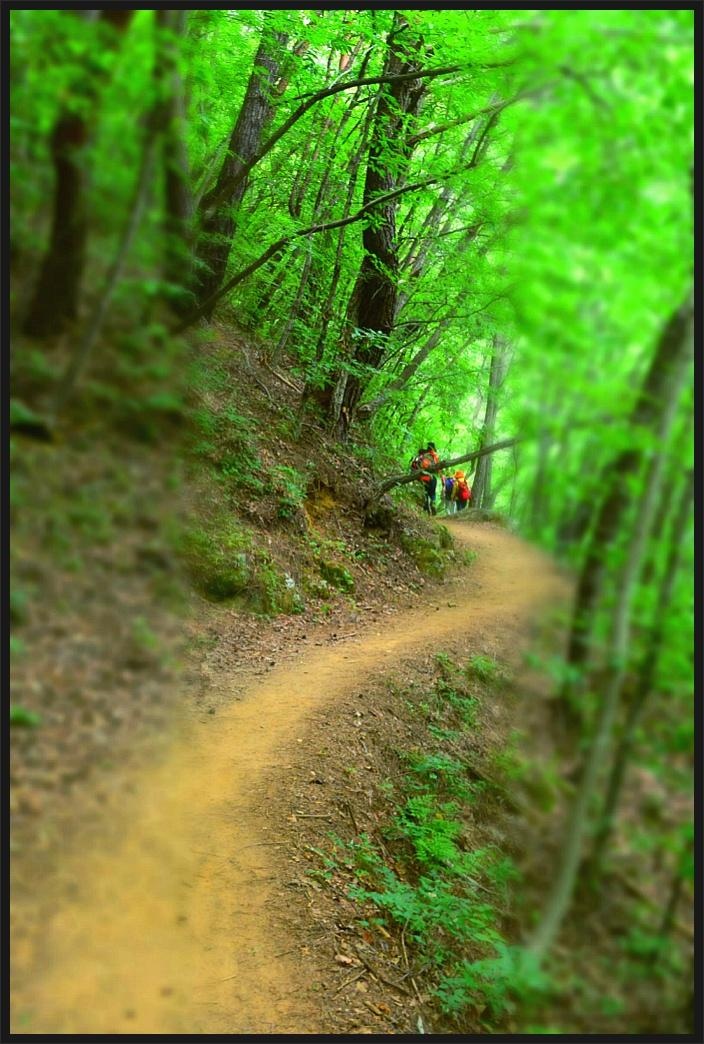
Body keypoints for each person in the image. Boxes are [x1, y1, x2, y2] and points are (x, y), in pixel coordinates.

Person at [410, 442, 440, 515]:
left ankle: (426, 505)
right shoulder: (434, 456)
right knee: (432, 492)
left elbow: (413, 466)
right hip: (431, 478)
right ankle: (433, 502)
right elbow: (438, 469)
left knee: (425, 492)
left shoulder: (421, 455)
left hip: (420, 478)